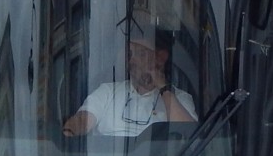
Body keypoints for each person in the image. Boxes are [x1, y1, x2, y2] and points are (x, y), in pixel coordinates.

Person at [62, 31, 197, 138]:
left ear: (160, 58)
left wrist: (164, 89)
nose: (132, 60)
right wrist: (71, 131)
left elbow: (189, 135)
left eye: (141, 53)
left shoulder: (180, 98)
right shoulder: (108, 91)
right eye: (129, 54)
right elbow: (83, 120)